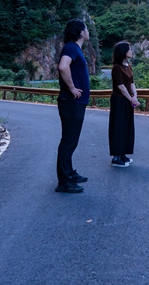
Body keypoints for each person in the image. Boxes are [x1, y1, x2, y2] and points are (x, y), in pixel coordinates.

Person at [55, 19, 91, 193]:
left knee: (71, 140)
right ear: (80, 32)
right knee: (69, 141)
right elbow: (63, 67)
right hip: (71, 102)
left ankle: (69, 173)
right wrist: (71, 87)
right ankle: (64, 182)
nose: (88, 31)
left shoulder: (75, 48)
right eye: (86, 28)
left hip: (75, 102)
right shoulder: (71, 47)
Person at [109, 41, 139, 168]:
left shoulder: (128, 66)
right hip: (119, 100)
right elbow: (120, 86)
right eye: (129, 49)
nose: (131, 51)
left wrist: (134, 95)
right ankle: (116, 157)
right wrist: (131, 99)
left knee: (127, 126)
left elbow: (131, 83)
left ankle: (123, 154)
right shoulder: (117, 67)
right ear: (123, 51)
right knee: (118, 127)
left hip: (127, 100)